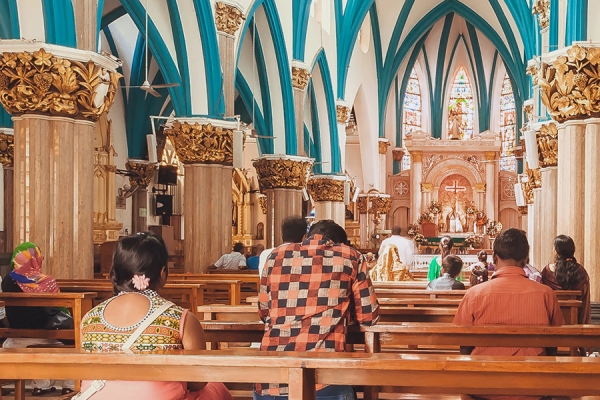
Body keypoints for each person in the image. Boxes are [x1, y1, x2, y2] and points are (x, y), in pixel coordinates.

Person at [79, 232, 231, 400]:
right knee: (215, 388)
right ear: (163, 273)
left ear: (115, 272)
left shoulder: (89, 318)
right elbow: (197, 381)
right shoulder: (180, 318)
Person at [256, 219, 380, 399]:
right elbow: (369, 317)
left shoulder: (275, 256)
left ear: (306, 237)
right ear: (340, 245)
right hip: (324, 379)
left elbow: (263, 311)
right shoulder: (350, 257)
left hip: (270, 378)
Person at [454, 228, 564, 357]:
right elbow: (556, 339)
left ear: (494, 257)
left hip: (484, 370)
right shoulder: (546, 293)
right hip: (533, 371)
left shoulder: (474, 294)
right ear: (526, 259)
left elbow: (462, 340)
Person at [1, 242, 75, 396]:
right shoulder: (46, 281)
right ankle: (70, 384)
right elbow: (60, 308)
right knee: (73, 337)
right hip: (45, 332)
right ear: (36, 259)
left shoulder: (7, 281)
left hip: (15, 333)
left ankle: (41, 385)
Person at [541, 235, 590, 325]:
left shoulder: (547, 271)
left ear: (556, 251)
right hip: (576, 322)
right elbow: (585, 301)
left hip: (552, 322)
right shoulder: (581, 272)